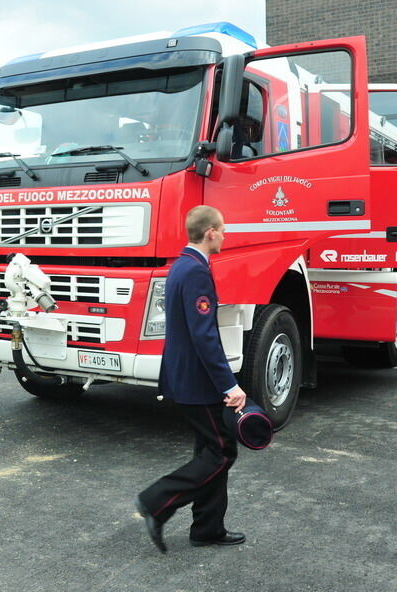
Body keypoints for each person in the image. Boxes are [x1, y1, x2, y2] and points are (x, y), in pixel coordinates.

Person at [136, 205, 247, 553]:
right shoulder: (197, 271)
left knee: (208, 450)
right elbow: (204, 336)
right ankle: (157, 501)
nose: (225, 236)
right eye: (223, 230)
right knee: (222, 451)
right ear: (210, 232)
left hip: (185, 377)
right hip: (199, 383)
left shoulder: (181, 265)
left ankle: (207, 528)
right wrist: (230, 384)